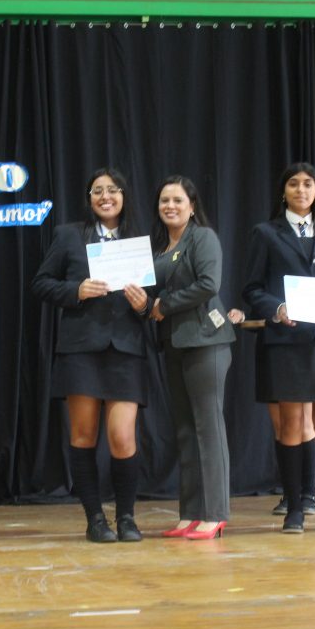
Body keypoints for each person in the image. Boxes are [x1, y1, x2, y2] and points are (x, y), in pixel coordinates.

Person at [31, 168, 149, 543]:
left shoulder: (138, 238)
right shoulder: (70, 235)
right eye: (97, 191)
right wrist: (76, 290)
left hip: (125, 348)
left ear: (124, 196)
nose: (105, 196)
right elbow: (41, 283)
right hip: (81, 347)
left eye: (113, 190)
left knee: (123, 437)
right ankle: (95, 518)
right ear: (89, 198)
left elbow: (155, 296)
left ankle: (126, 517)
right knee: (83, 435)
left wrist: (145, 304)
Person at [242, 162, 315, 533]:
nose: (301, 190)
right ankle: (294, 507)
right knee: (291, 424)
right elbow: (252, 289)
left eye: (308, 184)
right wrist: (277, 308)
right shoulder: (266, 233)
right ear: (283, 191)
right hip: (287, 341)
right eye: (294, 183)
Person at [128, 176, 240, 540]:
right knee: (186, 429)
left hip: (206, 341)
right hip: (174, 343)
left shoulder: (202, 237)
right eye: (164, 200)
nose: (170, 206)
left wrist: (162, 305)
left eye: (177, 200)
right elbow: (150, 300)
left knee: (208, 426)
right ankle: (191, 513)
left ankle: (215, 513)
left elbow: (209, 284)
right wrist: (145, 305)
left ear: (192, 207)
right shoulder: (161, 248)